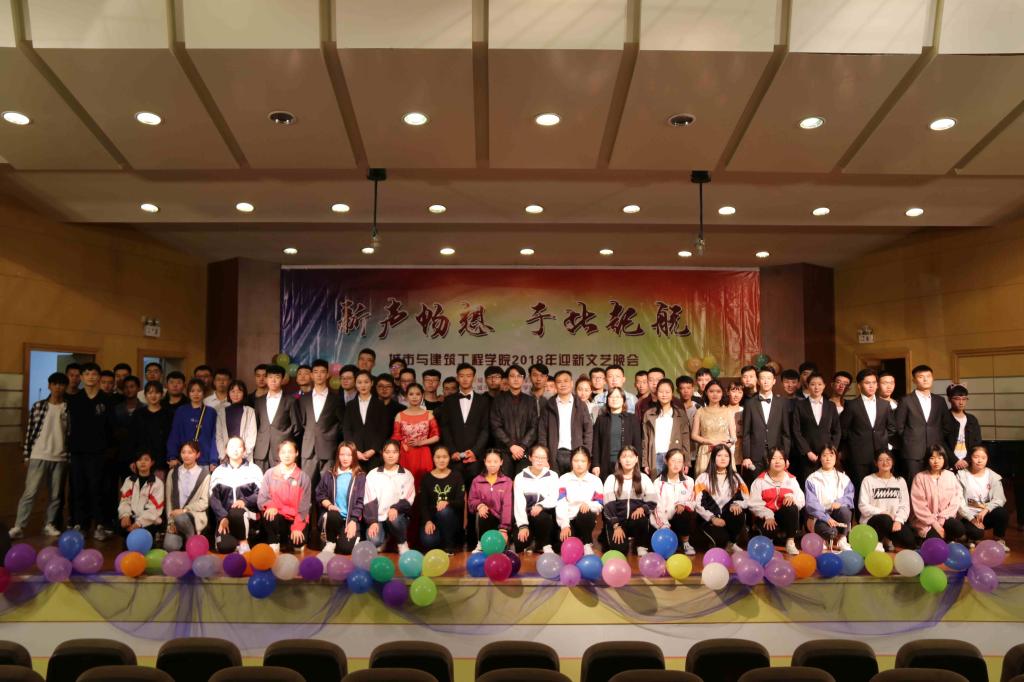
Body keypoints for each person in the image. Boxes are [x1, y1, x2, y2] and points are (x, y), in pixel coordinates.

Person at [12, 372, 70, 538]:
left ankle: (49, 524)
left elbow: (70, 434)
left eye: (61, 384)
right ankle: (19, 526)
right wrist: (26, 455)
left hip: (60, 457)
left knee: (55, 495)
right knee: (30, 492)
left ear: (65, 387)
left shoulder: (68, 407)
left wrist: (68, 456)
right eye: (55, 384)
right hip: (38, 455)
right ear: (49, 386)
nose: (58, 387)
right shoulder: (38, 406)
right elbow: (29, 431)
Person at [67, 362, 115, 539]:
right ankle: (81, 523)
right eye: (86, 374)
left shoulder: (107, 400)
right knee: (79, 487)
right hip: (78, 451)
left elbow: (111, 427)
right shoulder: (74, 400)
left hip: (99, 452)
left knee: (98, 488)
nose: (90, 377)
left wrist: (109, 449)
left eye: (94, 374)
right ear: (81, 377)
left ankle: (100, 524)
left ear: (99, 377)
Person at [840, 369, 894, 504]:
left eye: (874, 383)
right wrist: (853, 446)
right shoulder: (852, 405)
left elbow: (892, 428)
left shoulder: (885, 405)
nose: (871, 386)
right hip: (858, 456)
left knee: (880, 491)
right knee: (860, 491)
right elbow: (843, 430)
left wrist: (885, 443)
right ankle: (861, 518)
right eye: (867, 383)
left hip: (880, 456)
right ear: (859, 385)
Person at [895, 365, 957, 480]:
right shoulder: (906, 400)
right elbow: (899, 427)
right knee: (914, 483)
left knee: (935, 483)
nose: (925, 379)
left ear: (932, 378)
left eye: (928, 376)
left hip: (935, 452)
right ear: (914, 380)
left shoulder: (939, 400)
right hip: (913, 452)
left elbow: (947, 425)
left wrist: (937, 438)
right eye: (921, 377)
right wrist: (910, 440)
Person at [440, 363, 491, 485]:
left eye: (468, 376)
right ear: (457, 378)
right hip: (455, 457)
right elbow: (445, 428)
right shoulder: (449, 401)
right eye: (462, 376)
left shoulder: (483, 401)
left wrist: (475, 451)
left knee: (475, 490)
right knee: (454, 489)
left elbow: (485, 429)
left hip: (475, 457)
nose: (465, 379)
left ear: (474, 377)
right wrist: (452, 451)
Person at [209, 436, 263, 554]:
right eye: (231, 447)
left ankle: (244, 542)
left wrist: (245, 501)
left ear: (244, 450)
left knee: (236, 512)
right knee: (224, 547)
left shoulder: (254, 469)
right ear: (226, 450)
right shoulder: (218, 471)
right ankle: (235, 541)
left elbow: (261, 494)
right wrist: (223, 517)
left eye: (239, 447)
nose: (235, 450)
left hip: (249, 517)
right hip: (226, 518)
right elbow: (214, 499)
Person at [298, 360, 344, 493]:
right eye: (316, 372)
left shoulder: (336, 399)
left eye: (322, 372)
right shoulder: (303, 399)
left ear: (328, 375)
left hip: (328, 449)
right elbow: (301, 423)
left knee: (327, 489)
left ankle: (325, 508)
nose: (319, 375)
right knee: (306, 488)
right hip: (308, 449)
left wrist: (331, 435)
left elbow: (342, 424)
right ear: (311, 375)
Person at [258, 439, 311, 553]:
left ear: (296, 453)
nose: (286, 455)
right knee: (269, 514)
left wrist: (297, 527)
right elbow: (262, 498)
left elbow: (304, 507)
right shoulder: (270, 474)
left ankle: (287, 540)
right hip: (278, 517)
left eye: (290, 452)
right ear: (279, 454)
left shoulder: (304, 477)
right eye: (283, 452)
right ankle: (274, 542)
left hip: (295, 518)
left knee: (297, 544)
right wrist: (270, 506)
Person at [694, 444, 749, 551]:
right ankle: (718, 541)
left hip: (728, 517)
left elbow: (746, 498)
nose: (723, 458)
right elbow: (697, 504)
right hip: (709, 519)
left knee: (738, 512)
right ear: (713, 458)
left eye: (726, 456)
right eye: (719, 455)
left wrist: (737, 504)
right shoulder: (703, 478)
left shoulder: (736, 477)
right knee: (720, 543)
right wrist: (712, 518)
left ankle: (731, 543)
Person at [741, 366, 791, 486]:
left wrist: (785, 456)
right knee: (756, 487)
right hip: (755, 455)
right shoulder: (750, 403)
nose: (766, 381)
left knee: (776, 487)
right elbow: (746, 432)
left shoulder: (782, 403)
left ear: (774, 381)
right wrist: (746, 456)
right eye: (763, 378)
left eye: (769, 378)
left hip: (776, 455)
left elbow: (786, 433)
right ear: (758, 381)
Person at [363, 440, 415, 553]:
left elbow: (408, 499)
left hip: (398, 517)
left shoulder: (406, 475)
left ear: (399, 454)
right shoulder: (373, 474)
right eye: (387, 452)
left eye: (394, 452)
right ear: (382, 453)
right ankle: (384, 538)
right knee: (374, 541)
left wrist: (395, 508)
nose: (391, 455)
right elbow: (368, 500)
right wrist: (373, 521)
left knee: (395, 520)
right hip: (379, 518)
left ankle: (402, 543)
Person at [748, 449, 803, 555]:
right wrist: (768, 515)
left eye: (781, 458)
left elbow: (801, 499)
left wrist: (792, 498)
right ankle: (769, 542)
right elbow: (753, 504)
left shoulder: (791, 480)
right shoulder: (760, 481)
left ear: (785, 462)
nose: (777, 461)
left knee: (792, 507)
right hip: (766, 517)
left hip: (783, 516)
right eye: (774, 458)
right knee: (769, 532)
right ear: (768, 461)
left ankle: (790, 542)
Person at [602, 445, 655, 556]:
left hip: (635, 522)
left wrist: (643, 508)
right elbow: (608, 506)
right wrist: (616, 526)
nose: (627, 460)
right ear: (619, 460)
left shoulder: (644, 478)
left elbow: (652, 500)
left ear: (636, 459)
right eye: (624, 456)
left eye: (631, 456)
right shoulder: (612, 479)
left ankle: (640, 545)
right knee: (620, 551)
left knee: (642, 517)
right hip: (617, 523)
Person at [315, 441, 366, 555]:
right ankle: (331, 541)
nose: (345, 458)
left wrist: (353, 521)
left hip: (349, 520)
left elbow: (360, 501)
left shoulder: (360, 476)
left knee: (345, 549)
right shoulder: (330, 474)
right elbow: (320, 493)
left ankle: (346, 538)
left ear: (354, 457)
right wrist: (329, 505)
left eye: (349, 455)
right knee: (332, 514)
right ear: (338, 455)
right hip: (334, 518)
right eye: (342, 454)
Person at [538, 370, 594, 474]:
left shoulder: (581, 405)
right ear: (555, 385)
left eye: (566, 381)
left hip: (576, 454)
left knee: (574, 483)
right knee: (555, 482)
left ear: (572, 383)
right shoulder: (548, 405)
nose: (563, 384)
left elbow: (588, 431)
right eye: (559, 382)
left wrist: (586, 453)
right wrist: (544, 456)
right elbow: (542, 433)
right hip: (554, 454)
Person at [910, 444, 969, 543]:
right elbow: (919, 506)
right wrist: (935, 524)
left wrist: (942, 519)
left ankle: (946, 537)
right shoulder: (920, 477)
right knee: (934, 540)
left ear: (944, 459)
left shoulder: (950, 476)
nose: (936, 461)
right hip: (926, 521)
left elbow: (955, 501)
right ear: (927, 460)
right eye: (932, 458)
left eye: (939, 458)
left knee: (959, 529)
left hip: (945, 517)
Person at [858, 450, 915, 551]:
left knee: (910, 542)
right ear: (876, 463)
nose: (885, 463)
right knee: (884, 519)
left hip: (893, 522)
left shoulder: (900, 481)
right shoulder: (868, 480)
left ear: (893, 461)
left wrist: (898, 520)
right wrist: (881, 512)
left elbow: (905, 505)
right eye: (881, 460)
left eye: (888, 459)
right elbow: (863, 505)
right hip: (873, 521)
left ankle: (888, 540)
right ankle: (877, 542)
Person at [792, 373, 842, 486]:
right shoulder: (800, 405)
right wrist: (807, 452)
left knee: (827, 485)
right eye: (813, 384)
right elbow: (796, 431)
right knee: (808, 485)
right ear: (808, 386)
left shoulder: (831, 406)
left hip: (827, 455)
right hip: (807, 455)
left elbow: (837, 431)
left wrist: (831, 451)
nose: (816, 387)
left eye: (819, 384)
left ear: (824, 386)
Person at [490, 364, 538, 477]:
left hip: (524, 451)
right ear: (507, 379)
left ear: (523, 379)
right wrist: (511, 445)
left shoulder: (530, 401)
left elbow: (534, 426)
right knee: (504, 482)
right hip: (504, 450)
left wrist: (522, 447)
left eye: (519, 376)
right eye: (512, 376)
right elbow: (495, 426)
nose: (516, 379)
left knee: (524, 482)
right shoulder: (498, 400)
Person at [804, 445, 855, 552]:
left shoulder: (844, 478)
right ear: (820, 458)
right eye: (824, 455)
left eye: (831, 455)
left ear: (836, 458)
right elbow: (811, 504)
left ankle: (842, 539)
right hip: (820, 516)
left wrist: (840, 502)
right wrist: (826, 518)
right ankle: (823, 538)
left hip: (837, 513)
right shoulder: (812, 478)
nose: (828, 458)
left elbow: (849, 497)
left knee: (845, 511)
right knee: (831, 532)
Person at [957, 445, 1009, 549]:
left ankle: (999, 540)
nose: (979, 460)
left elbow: (999, 499)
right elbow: (959, 501)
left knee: (1002, 513)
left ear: (987, 459)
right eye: (976, 457)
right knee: (977, 533)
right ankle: (967, 538)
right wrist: (971, 519)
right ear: (970, 458)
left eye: (983, 458)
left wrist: (986, 510)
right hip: (968, 516)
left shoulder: (993, 476)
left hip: (984, 514)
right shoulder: (961, 475)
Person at [163, 440, 211, 550]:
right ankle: (184, 539)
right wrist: (170, 522)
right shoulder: (173, 473)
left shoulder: (204, 475)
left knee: (181, 518)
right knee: (169, 546)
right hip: (175, 517)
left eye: (190, 452)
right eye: (183, 452)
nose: (186, 455)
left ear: (197, 455)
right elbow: (169, 500)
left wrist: (185, 510)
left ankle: (192, 539)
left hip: (194, 515)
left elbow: (204, 502)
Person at [556, 446, 604, 555]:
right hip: (569, 520)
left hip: (585, 518)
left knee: (585, 512)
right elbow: (561, 503)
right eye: (576, 460)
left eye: (583, 461)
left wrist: (589, 504)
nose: (579, 464)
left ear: (588, 463)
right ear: (571, 462)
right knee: (564, 545)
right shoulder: (563, 479)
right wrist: (564, 525)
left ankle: (587, 543)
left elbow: (599, 503)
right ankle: (577, 538)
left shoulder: (595, 480)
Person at [342, 370, 393, 471]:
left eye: (366, 382)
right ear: (355, 384)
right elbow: (347, 429)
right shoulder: (350, 405)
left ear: (372, 383)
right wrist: (354, 450)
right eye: (359, 382)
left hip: (375, 454)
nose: (363, 385)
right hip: (355, 454)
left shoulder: (380, 404)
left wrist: (374, 449)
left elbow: (384, 430)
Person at [392, 382, 440, 488]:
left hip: (423, 453)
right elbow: (396, 437)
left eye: (418, 394)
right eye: (411, 394)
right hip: (405, 453)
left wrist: (421, 442)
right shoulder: (400, 415)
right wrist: (402, 444)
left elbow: (436, 436)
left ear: (422, 396)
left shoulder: (429, 415)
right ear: (406, 396)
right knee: (405, 485)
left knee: (424, 485)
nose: (414, 397)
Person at [513, 445, 560, 553]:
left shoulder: (553, 476)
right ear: (530, 457)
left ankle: (545, 544)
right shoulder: (520, 477)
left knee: (542, 517)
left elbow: (554, 497)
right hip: (527, 516)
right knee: (520, 544)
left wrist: (541, 505)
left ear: (547, 459)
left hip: (545, 516)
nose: (540, 460)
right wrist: (523, 525)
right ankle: (534, 542)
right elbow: (519, 503)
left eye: (543, 458)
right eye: (537, 457)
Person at [253, 365, 300, 471]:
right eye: (270, 377)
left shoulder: (290, 400)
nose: (273, 380)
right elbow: (256, 425)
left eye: (277, 377)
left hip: (282, 450)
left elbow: (296, 427)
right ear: (266, 379)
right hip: (261, 450)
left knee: (280, 479)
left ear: (282, 380)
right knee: (261, 479)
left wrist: (285, 439)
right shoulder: (259, 401)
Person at [419, 446, 465, 554]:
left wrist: (447, 503)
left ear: (449, 458)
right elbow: (423, 505)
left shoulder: (456, 476)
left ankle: (449, 545)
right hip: (433, 520)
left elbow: (461, 502)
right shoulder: (426, 478)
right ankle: (440, 540)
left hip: (451, 520)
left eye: (445, 457)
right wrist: (427, 521)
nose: (441, 460)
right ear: (433, 458)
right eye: (438, 457)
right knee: (428, 541)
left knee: (444, 511)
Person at [651, 448, 697, 555]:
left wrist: (682, 504)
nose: (676, 464)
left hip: (679, 520)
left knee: (685, 513)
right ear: (666, 461)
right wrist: (664, 526)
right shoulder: (658, 483)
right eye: (673, 460)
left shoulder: (689, 481)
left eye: (680, 461)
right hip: (662, 523)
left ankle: (685, 543)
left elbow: (692, 501)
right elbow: (656, 506)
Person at [642, 379, 690, 478]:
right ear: (656, 393)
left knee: (673, 484)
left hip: (675, 457)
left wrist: (686, 461)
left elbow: (685, 440)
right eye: (661, 392)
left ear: (672, 394)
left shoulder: (680, 414)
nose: (664, 395)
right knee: (656, 485)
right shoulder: (649, 414)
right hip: (655, 456)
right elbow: (645, 440)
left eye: (667, 392)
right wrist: (645, 462)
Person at [468, 449, 514, 551]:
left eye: (495, 461)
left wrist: (504, 529)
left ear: (501, 462)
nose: (492, 465)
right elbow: (471, 501)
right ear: (484, 462)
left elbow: (507, 506)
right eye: (489, 461)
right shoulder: (477, 481)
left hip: (502, 522)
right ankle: (481, 543)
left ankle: (506, 541)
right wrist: (479, 505)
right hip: (485, 519)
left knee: (501, 551)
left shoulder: (507, 481)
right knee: (482, 511)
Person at [167, 378, 218, 470]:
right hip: (184, 460)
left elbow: (214, 437)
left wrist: (213, 460)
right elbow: (174, 435)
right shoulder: (181, 411)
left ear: (204, 393)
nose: (196, 394)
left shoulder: (211, 412)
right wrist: (172, 456)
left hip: (205, 460)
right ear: (188, 393)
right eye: (192, 391)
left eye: (199, 391)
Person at [592, 387, 642, 479]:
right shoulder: (601, 419)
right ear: (607, 400)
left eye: (618, 397)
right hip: (605, 464)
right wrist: (595, 464)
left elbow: (637, 444)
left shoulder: (632, 419)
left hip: (627, 464)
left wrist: (637, 464)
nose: (614, 399)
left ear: (623, 400)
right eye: (611, 397)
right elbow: (596, 444)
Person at [117, 451, 165, 546]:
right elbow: (124, 501)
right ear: (135, 463)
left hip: (149, 521)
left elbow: (154, 509)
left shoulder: (157, 483)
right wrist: (125, 515)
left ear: (151, 463)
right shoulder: (129, 480)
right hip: (132, 518)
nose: (142, 462)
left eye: (146, 460)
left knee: (142, 544)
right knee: (122, 528)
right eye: (139, 460)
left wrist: (138, 524)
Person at [690, 380, 735, 477]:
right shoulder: (700, 412)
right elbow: (694, 435)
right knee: (704, 483)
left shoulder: (728, 411)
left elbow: (733, 437)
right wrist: (711, 442)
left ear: (722, 393)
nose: (715, 394)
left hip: (723, 452)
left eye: (718, 391)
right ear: (706, 392)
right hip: (706, 452)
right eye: (711, 391)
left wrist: (726, 445)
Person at [129, 381, 173, 474]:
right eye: (150, 393)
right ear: (145, 395)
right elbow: (132, 438)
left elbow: (172, 438)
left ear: (162, 395)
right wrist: (132, 459)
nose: (153, 396)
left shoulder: (169, 414)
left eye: (157, 392)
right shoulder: (138, 414)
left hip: (162, 460)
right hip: (142, 460)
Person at [215, 380, 257, 464]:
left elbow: (252, 435)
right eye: (233, 391)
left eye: (239, 391)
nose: (235, 394)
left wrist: (243, 454)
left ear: (244, 393)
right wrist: (223, 454)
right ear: (228, 393)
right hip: (226, 458)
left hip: (245, 457)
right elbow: (219, 436)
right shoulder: (221, 412)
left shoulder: (250, 411)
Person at [947, 384, 982, 469]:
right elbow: (941, 442)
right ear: (949, 399)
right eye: (957, 399)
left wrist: (967, 460)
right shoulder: (945, 418)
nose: (961, 402)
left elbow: (977, 442)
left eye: (964, 399)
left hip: (968, 462)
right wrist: (955, 460)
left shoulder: (972, 419)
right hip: (949, 462)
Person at [726, 381, 746, 469]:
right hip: (727, 447)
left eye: (740, 392)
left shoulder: (745, 411)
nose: (736, 395)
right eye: (733, 391)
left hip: (741, 449)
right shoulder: (723, 410)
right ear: (728, 392)